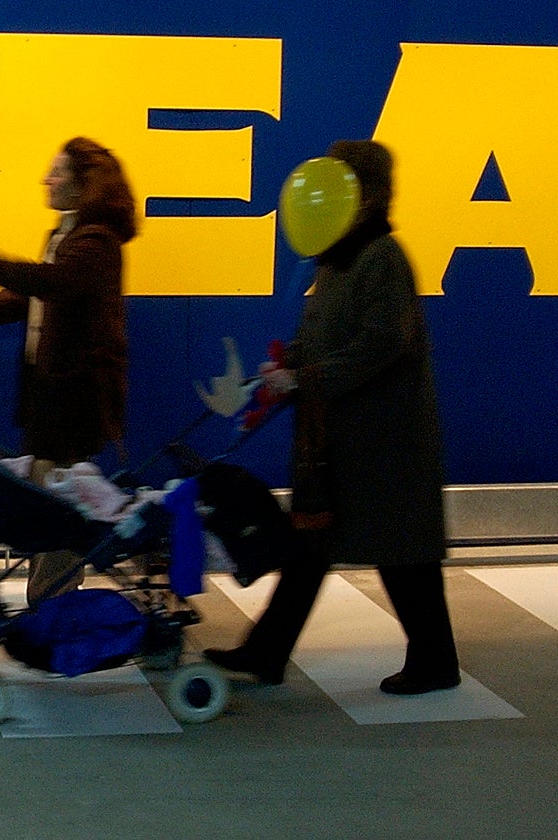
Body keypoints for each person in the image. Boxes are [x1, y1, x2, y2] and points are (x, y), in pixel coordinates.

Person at [204, 139, 461, 695]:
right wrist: (290, 364)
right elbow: (327, 337)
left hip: (385, 440)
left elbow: (385, 341)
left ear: (365, 196)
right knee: (313, 550)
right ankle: (266, 652)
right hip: (342, 441)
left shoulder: (382, 257)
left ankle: (436, 662)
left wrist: (307, 377)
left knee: (403, 554)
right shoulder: (341, 259)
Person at [0, 137, 137, 605]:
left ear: (82, 186)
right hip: (47, 389)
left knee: (57, 499)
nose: (46, 179)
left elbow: (54, 284)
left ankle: (52, 606)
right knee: (45, 492)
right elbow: (38, 296)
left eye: (56, 172)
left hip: (74, 393)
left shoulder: (97, 241)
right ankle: (50, 600)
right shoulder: (67, 233)